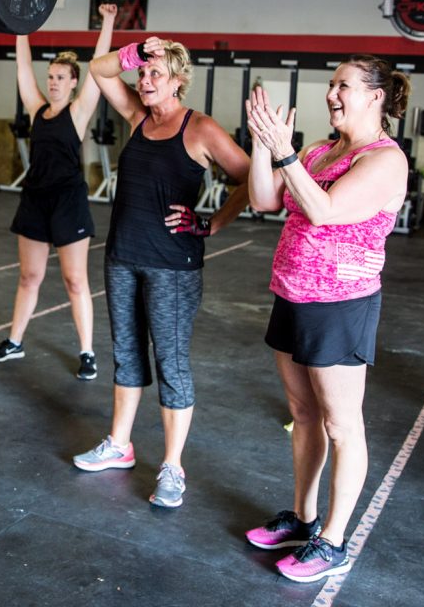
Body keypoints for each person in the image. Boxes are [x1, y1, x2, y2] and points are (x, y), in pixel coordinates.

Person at [243, 57, 409, 582]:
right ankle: (303, 517)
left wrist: (286, 151)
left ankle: (333, 540)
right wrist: (261, 143)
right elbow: (265, 198)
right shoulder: (318, 151)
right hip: (292, 296)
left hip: (342, 305)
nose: (331, 93)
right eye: (331, 84)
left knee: (342, 424)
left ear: (376, 96)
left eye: (344, 86)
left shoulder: (386, 160)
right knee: (303, 413)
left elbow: (324, 210)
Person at [73, 37, 250, 509]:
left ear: (178, 81)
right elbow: (99, 68)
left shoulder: (201, 129)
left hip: (173, 266)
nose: (144, 81)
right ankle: (120, 445)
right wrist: (134, 50)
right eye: (143, 73)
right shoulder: (136, 118)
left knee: (171, 364)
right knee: (127, 355)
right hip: (123, 258)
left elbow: (252, 178)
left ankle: (172, 465)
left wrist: (212, 222)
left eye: (156, 74)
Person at [0, 4, 117, 380]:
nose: (54, 82)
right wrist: (20, 24)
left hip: (68, 203)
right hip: (34, 201)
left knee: (76, 280)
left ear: (74, 82)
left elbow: (99, 66)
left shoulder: (78, 112)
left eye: (62, 77)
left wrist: (107, 23)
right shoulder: (36, 108)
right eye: (52, 76)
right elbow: (22, 68)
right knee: (29, 277)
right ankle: (14, 341)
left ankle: (87, 352)